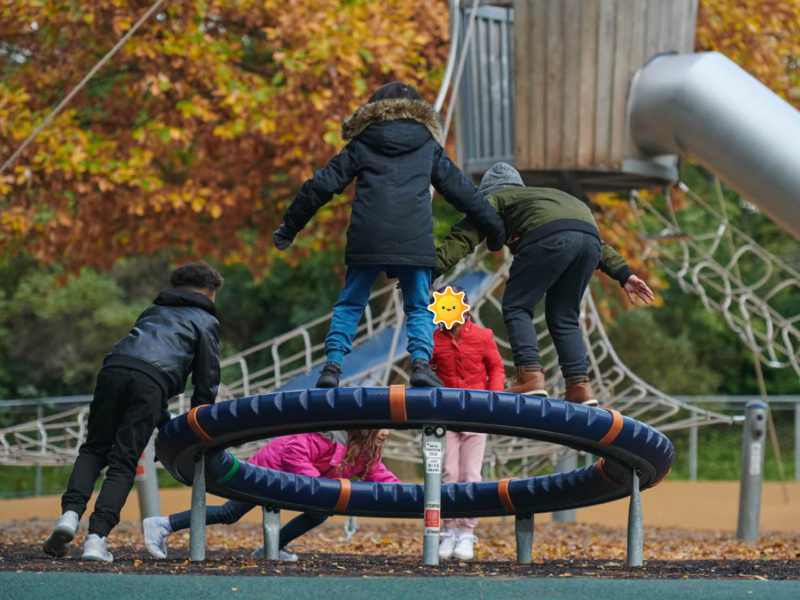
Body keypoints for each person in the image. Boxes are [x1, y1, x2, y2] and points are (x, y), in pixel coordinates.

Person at [271, 81, 506, 389]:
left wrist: (290, 227)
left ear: (372, 110)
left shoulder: (361, 144)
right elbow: (463, 192)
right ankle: (421, 364)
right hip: (413, 240)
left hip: (367, 237)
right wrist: (495, 229)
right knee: (418, 306)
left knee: (350, 303)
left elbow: (321, 185)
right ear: (419, 113)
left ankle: (332, 366)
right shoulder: (427, 146)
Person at [43, 262, 223, 562]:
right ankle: (96, 539)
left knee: (94, 449)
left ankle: (69, 516)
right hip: (151, 385)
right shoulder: (206, 320)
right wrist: (197, 429)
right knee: (124, 461)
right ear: (209, 293)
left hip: (113, 369)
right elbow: (206, 381)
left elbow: (141, 365)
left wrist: (164, 423)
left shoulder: (153, 311)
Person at [435, 163, 654, 406]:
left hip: (547, 237)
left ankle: (530, 377)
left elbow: (463, 237)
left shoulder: (495, 199)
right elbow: (585, 235)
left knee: (517, 305)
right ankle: (580, 387)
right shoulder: (542, 197)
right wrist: (624, 273)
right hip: (589, 240)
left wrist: (430, 269)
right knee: (564, 316)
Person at [143, 430, 398, 561]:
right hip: (267, 471)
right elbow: (294, 451)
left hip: (298, 481)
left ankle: (272, 547)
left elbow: (381, 476)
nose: (386, 432)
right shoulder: (328, 436)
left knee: (320, 511)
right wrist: (319, 486)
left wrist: (406, 495)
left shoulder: (364, 453)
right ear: (365, 428)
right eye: (380, 427)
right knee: (230, 513)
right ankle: (163, 524)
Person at [429, 286, 505, 561]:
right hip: (446, 417)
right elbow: (425, 370)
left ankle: (466, 531)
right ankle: (448, 530)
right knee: (448, 473)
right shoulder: (433, 339)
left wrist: (493, 399)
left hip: (476, 414)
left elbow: (496, 367)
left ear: (464, 309)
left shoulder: (483, 336)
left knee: (470, 475)